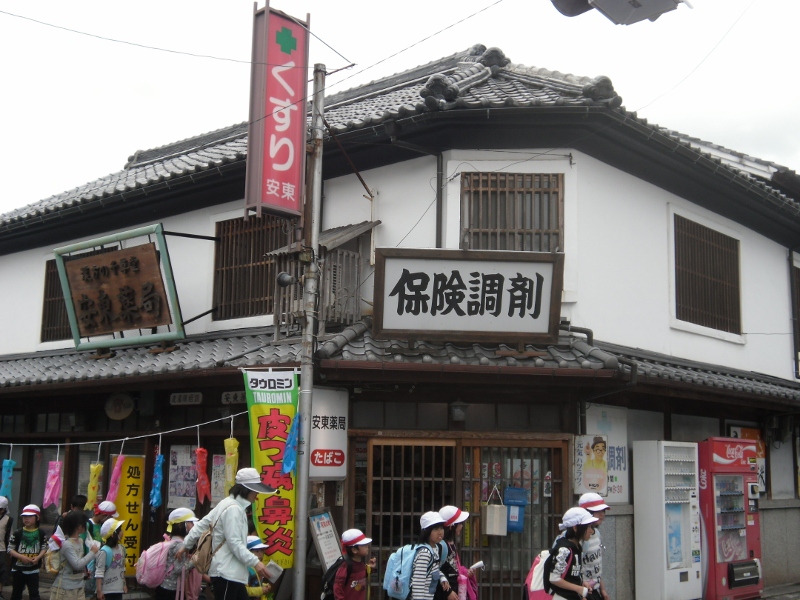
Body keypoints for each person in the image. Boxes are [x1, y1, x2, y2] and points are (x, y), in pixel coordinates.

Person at [179, 467, 276, 600]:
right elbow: (234, 542)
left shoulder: (226, 503)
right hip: (227, 573)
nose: (257, 493)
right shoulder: (234, 509)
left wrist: (186, 544)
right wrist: (255, 562)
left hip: (229, 573)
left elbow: (202, 524)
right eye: (255, 490)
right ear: (246, 490)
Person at [549, 508, 598, 600]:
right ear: (575, 528)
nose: (591, 531)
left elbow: (570, 575)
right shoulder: (564, 550)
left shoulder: (576, 547)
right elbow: (554, 578)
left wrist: (581, 583)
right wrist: (578, 589)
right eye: (588, 527)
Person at [50, 510, 100, 600]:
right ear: (79, 526)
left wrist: (85, 572)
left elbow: (80, 560)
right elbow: (77, 565)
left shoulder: (80, 540)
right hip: (66, 588)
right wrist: (92, 552)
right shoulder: (67, 544)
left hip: (79, 586)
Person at [156, 508, 199, 600]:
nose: (192, 525)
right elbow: (179, 569)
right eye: (190, 522)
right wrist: (194, 561)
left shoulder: (171, 540)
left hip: (164, 587)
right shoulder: (180, 545)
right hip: (171, 591)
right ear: (180, 525)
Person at [434, 506, 476, 600]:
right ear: (451, 526)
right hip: (443, 594)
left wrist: (466, 572)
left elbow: (454, 567)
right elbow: (435, 571)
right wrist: (448, 592)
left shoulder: (451, 543)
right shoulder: (441, 545)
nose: (462, 526)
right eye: (460, 523)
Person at [8, 505, 47, 600]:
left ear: (37, 518)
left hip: (33, 569)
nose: (26, 519)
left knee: (34, 594)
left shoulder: (41, 533)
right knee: (16, 594)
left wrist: (38, 557)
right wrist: (21, 557)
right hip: (18, 569)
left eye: (29, 516)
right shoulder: (18, 533)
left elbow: (44, 547)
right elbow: (10, 549)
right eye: (24, 516)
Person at [410, 512, 449, 600]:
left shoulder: (435, 548)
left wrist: (442, 578)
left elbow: (434, 569)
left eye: (441, 528)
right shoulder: (425, 553)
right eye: (436, 529)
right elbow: (418, 583)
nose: (440, 532)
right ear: (427, 532)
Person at [577, 493, 610, 600]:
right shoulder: (579, 538)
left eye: (603, 511)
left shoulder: (597, 533)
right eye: (597, 511)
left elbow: (596, 567)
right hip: (582, 591)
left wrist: (602, 589)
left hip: (594, 590)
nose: (602, 514)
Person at [84, 502, 118, 600]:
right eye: (109, 517)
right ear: (104, 515)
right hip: (89, 563)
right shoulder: (88, 525)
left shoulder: (103, 525)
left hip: (100, 563)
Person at [334, 529, 376, 600]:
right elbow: (337, 587)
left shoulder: (361, 563)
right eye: (364, 545)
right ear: (354, 550)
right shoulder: (345, 566)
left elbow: (360, 577)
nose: (367, 547)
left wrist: (370, 568)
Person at [95, 519, 126, 600]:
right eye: (120, 530)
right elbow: (99, 572)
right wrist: (99, 591)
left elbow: (122, 568)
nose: (122, 532)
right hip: (106, 591)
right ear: (113, 534)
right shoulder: (104, 551)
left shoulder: (122, 549)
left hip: (118, 590)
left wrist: (124, 584)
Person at [0, 497, 13, 600]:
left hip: (2, 548)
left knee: (2, 572)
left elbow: (10, 535)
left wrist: (10, 549)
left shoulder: (8, 520)